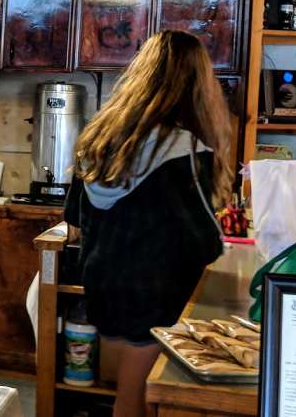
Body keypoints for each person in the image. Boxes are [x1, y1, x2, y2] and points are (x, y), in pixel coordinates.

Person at [65, 30, 233, 417]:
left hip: (103, 287)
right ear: (196, 85)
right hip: (158, 296)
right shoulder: (186, 150)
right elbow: (206, 243)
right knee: (137, 401)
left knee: (128, 392)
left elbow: (73, 216)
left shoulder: (100, 138)